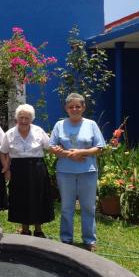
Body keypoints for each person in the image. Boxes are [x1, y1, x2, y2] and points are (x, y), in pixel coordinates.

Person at [48, 93, 105, 252]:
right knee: (67, 207)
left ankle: (89, 240)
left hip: (88, 171)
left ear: (83, 107)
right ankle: (66, 239)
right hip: (65, 172)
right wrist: (70, 154)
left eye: (77, 106)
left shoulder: (91, 124)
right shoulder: (59, 125)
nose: (74, 109)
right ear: (66, 108)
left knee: (88, 207)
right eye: (71, 106)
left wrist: (81, 152)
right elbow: (52, 147)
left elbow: (100, 148)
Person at [0, 104, 54, 237]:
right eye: (21, 117)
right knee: (20, 199)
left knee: (38, 198)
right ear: (17, 118)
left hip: (37, 168)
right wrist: (6, 169)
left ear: (32, 119)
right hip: (18, 169)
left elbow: (50, 147)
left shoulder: (38, 131)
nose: (24, 120)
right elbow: (2, 152)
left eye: (27, 118)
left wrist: (65, 151)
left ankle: (38, 230)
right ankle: (25, 229)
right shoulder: (10, 133)